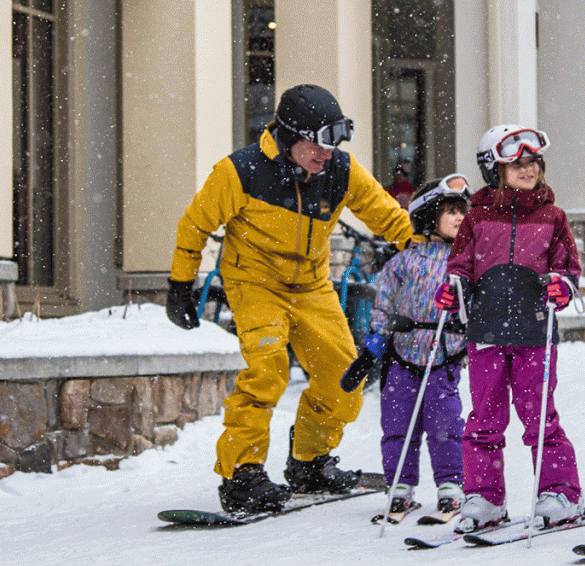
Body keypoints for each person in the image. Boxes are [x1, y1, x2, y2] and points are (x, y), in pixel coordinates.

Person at [165, 84, 421, 513]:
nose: (327, 155)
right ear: (290, 137)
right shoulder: (240, 171)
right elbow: (195, 224)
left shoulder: (340, 171)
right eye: (318, 145)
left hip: (311, 286)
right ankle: (242, 474)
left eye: (333, 145)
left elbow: (389, 217)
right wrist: (179, 285)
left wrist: (433, 252)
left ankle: (309, 461)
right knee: (267, 371)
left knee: (344, 376)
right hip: (255, 284)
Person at [434, 124, 585, 533]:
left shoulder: (553, 217)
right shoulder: (477, 217)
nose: (528, 169)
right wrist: (454, 289)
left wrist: (562, 286)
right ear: (494, 169)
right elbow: (460, 267)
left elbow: (569, 268)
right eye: (517, 164)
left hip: (535, 331)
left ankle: (560, 493)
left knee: (539, 418)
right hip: (486, 331)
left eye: (533, 161)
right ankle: (485, 497)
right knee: (484, 418)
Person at [359, 174, 472, 521]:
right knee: (397, 425)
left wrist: (465, 319)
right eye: (450, 211)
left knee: (444, 426)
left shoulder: (466, 263)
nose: (459, 218)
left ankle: (450, 485)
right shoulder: (403, 261)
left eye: (463, 212)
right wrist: (376, 340)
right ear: (428, 216)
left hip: (444, 357)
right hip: (402, 357)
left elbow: (475, 305)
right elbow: (384, 303)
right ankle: (400, 487)